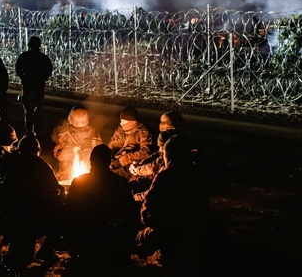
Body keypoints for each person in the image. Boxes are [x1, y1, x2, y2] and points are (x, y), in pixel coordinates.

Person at [136, 134, 210, 277]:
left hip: (172, 233)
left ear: (168, 155)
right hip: (196, 231)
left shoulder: (167, 175)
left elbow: (150, 205)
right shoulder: (198, 173)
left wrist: (149, 225)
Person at [0, 135, 65, 276]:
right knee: (63, 213)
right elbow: (56, 188)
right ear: (37, 150)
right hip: (31, 218)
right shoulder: (39, 165)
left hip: (6, 215)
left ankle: (14, 256)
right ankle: (47, 249)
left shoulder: (5, 162)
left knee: (18, 256)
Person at [63, 144, 140, 273]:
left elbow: (68, 212)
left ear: (91, 161)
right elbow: (132, 213)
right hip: (112, 241)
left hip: (85, 239)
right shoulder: (120, 182)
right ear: (109, 161)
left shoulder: (78, 182)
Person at [51, 105, 103, 182]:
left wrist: (86, 153)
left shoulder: (93, 134)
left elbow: (100, 153)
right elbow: (59, 156)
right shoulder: (65, 134)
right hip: (68, 169)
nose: (79, 125)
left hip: (88, 167)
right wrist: (70, 150)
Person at [15, 36, 53, 136]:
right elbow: (49, 70)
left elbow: (18, 68)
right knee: (36, 110)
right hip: (36, 86)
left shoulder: (25, 56)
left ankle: (30, 131)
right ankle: (35, 130)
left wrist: (24, 77)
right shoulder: (42, 58)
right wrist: (41, 78)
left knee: (29, 111)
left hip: (29, 86)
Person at [108, 106, 154, 179]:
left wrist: (122, 161)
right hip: (118, 161)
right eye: (121, 121)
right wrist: (107, 157)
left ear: (133, 122)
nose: (121, 123)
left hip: (134, 166)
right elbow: (112, 144)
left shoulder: (143, 132)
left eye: (124, 122)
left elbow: (146, 152)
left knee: (115, 177)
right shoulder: (120, 130)